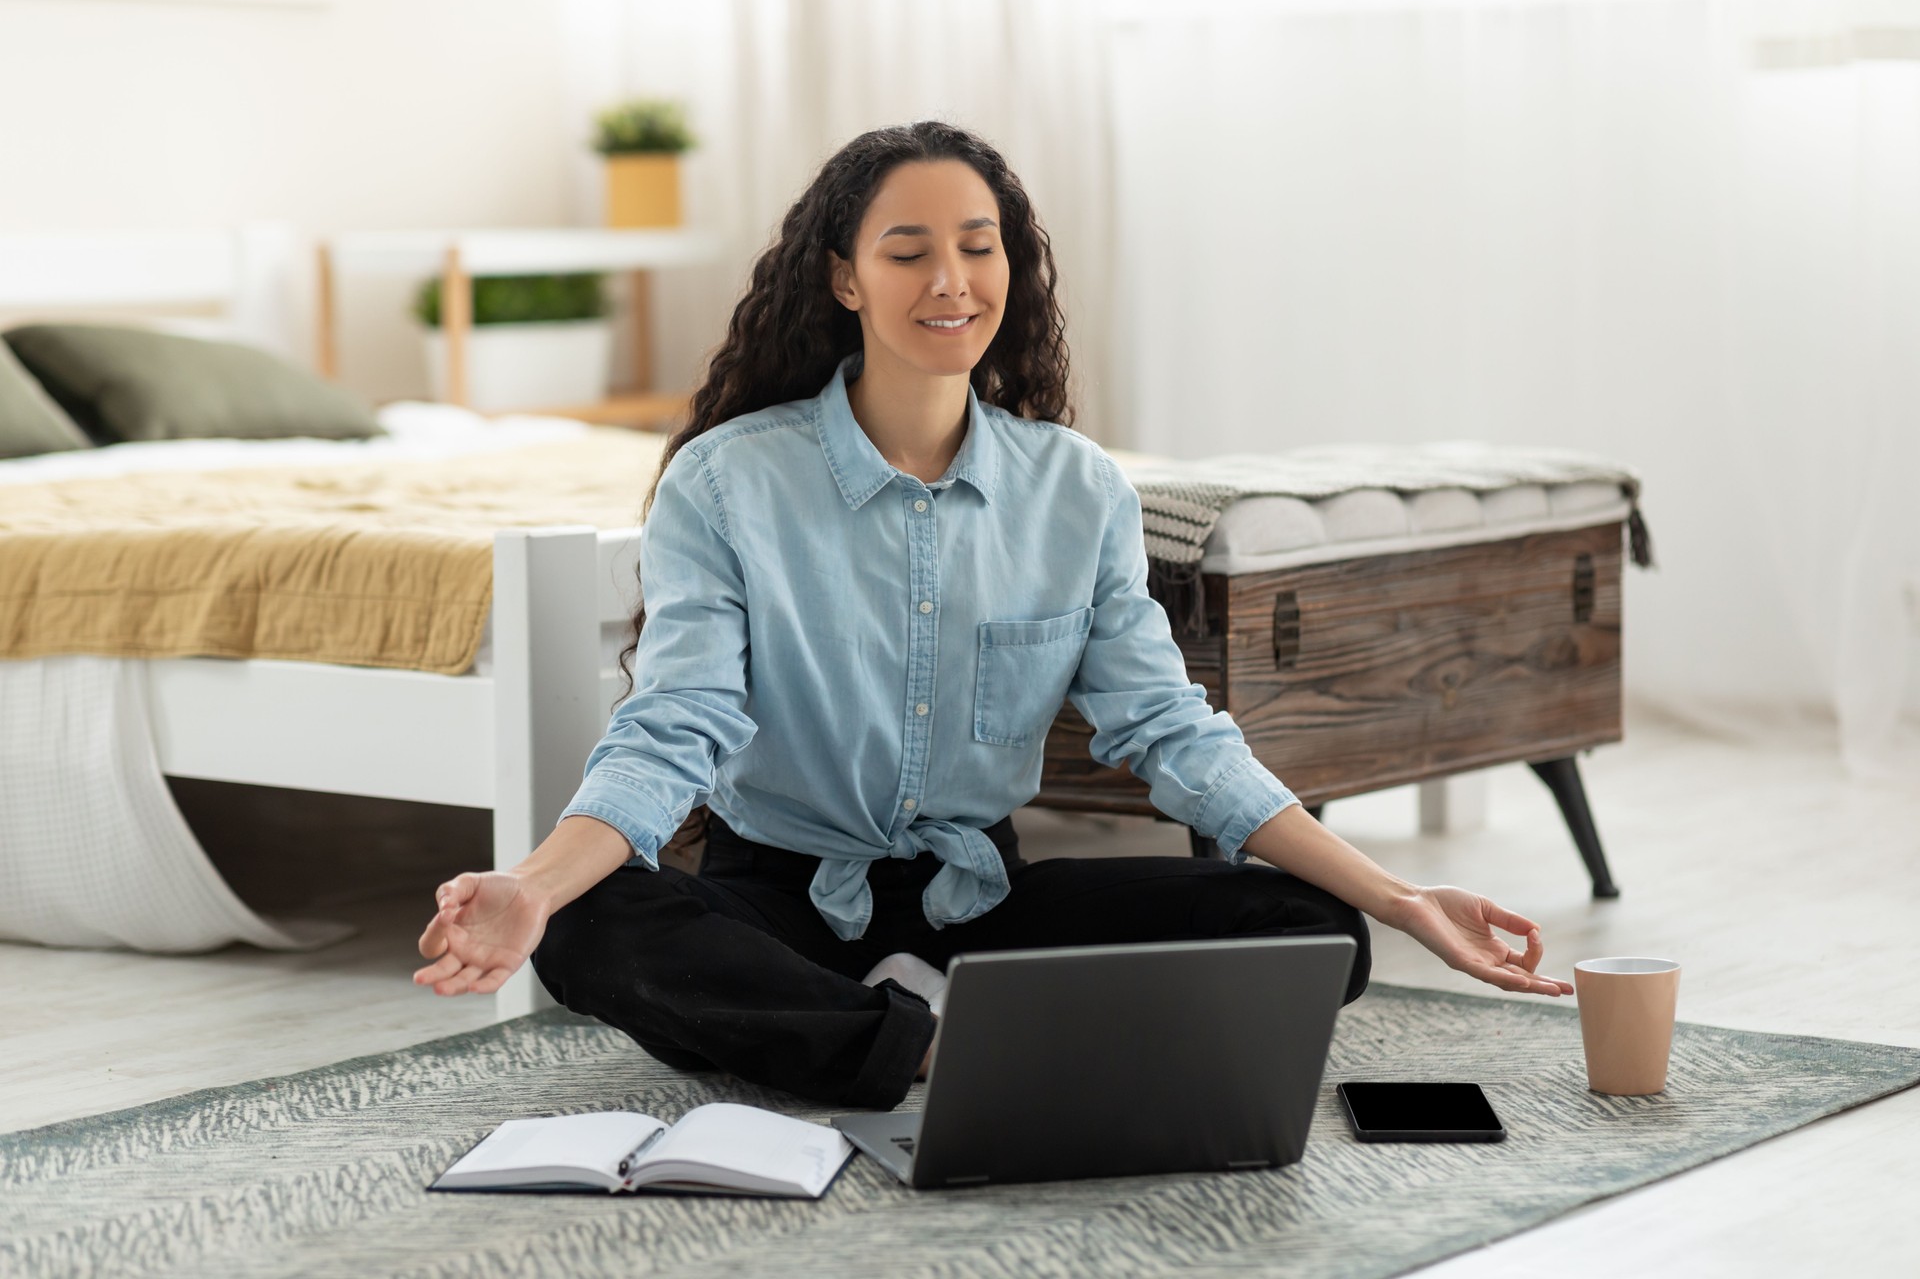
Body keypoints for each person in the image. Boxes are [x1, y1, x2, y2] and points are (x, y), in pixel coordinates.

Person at [413, 121, 1574, 1111]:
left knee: (1310, 923)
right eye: (907, 251)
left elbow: (1171, 732)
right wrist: (534, 883)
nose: (951, 281)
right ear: (843, 277)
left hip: (986, 899)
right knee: (589, 925)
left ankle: (884, 1034)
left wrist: (1404, 895)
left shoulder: (1078, 490)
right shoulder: (725, 484)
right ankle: (937, 1050)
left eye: (979, 248)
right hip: (781, 901)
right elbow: (678, 723)